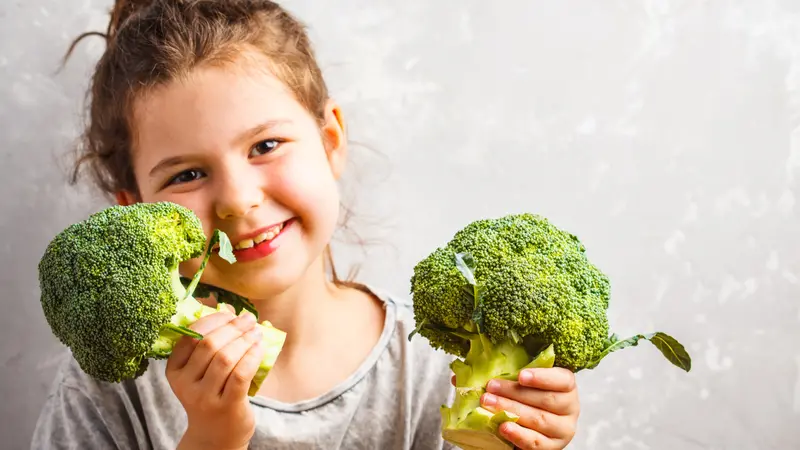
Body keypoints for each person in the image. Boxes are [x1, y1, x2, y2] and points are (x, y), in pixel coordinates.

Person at [31, 1, 581, 449]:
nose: (239, 201)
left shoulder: (442, 362)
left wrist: (523, 437)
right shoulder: (109, 392)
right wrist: (211, 440)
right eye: (188, 174)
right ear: (135, 213)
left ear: (330, 140)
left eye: (265, 146)